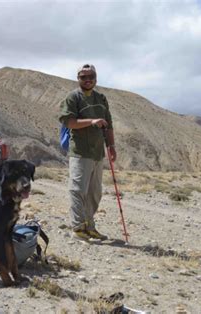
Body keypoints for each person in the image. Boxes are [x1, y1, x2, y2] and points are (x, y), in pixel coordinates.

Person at [58, 64, 116, 241]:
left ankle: (90, 226)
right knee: (78, 190)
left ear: (96, 78)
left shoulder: (101, 98)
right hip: (80, 151)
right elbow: (70, 122)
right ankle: (78, 227)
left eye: (91, 76)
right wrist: (92, 121)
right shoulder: (73, 97)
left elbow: (108, 124)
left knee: (94, 192)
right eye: (83, 76)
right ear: (78, 78)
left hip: (98, 152)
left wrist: (111, 146)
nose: (87, 79)